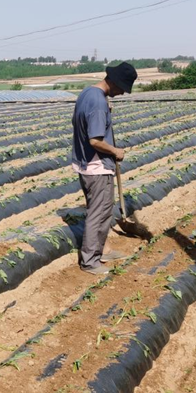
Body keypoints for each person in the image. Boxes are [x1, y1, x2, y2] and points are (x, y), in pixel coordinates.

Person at [72, 61, 138, 275]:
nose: (122, 93)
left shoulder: (88, 94)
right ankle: (90, 261)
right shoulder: (99, 103)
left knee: (98, 210)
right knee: (98, 214)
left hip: (84, 163)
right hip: (97, 166)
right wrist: (115, 151)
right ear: (114, 83)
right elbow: (95, 140)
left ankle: (103, 250)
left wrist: (104, 109)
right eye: (122, 89)